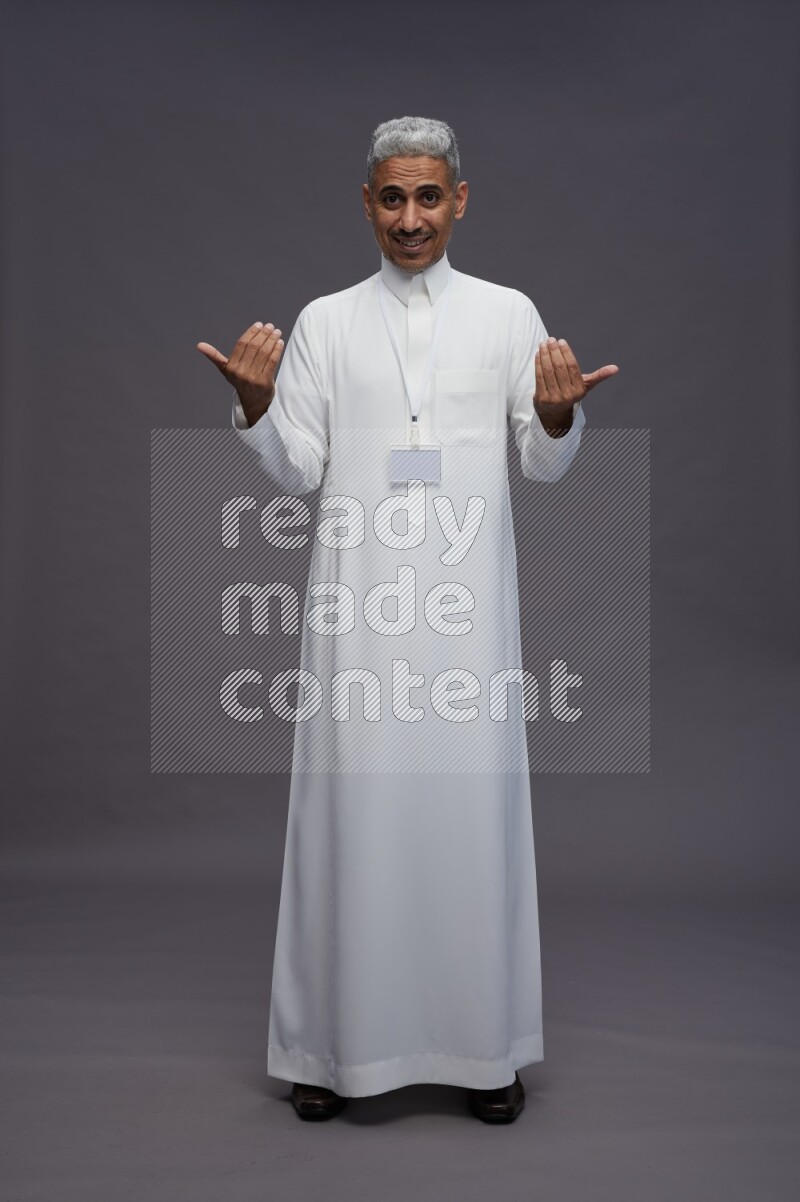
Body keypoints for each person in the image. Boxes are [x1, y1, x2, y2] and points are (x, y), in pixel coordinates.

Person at [197, 116, 618, 1123]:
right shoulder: (329, 321)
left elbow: (539, 455)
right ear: (366, 204)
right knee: (350, 813)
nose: (411, 217)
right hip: (359, 612)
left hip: (468, 610)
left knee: (470, 817)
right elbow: (298, 467)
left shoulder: (509, 314)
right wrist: (256, 409)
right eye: (392, 197)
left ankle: (484, 1051)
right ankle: (325, 1048)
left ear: (459, 201)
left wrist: (558, 416)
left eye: (429, 196)